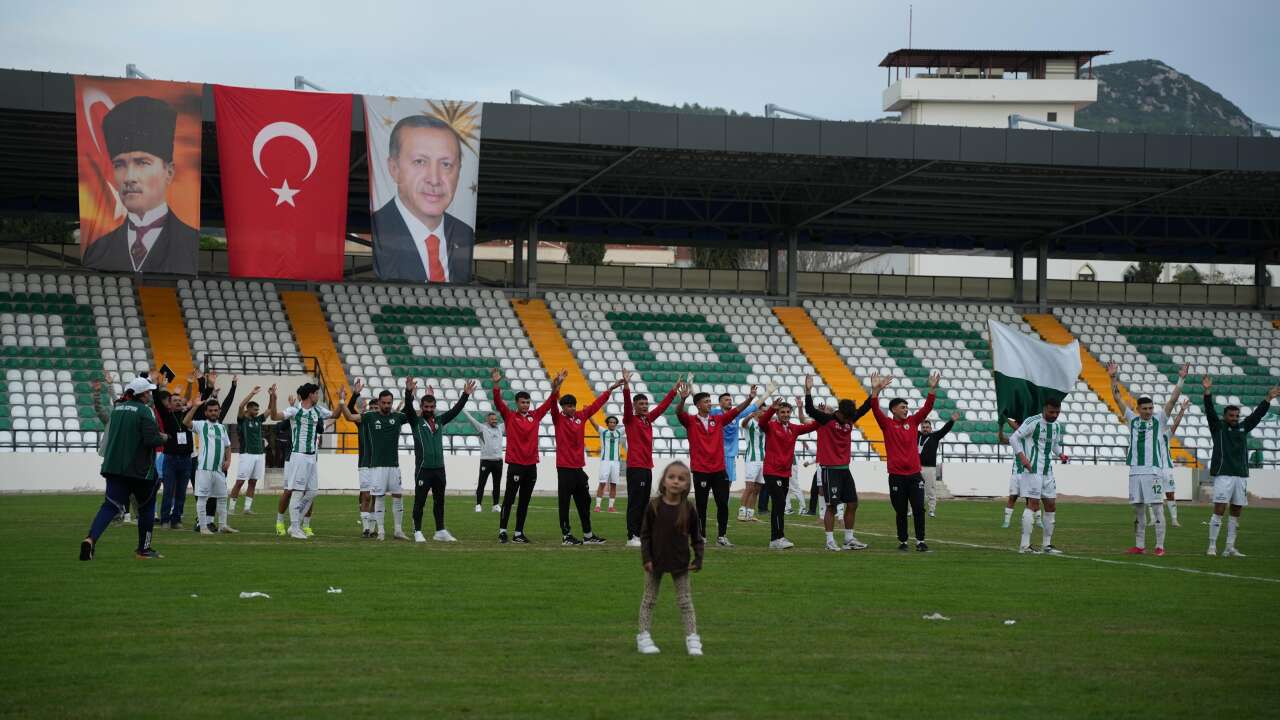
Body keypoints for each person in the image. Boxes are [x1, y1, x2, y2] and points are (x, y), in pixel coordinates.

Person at [81, 96, 199, 274]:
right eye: (119, 165)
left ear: (169, 172)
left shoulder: (191, 243)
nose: (129, 177)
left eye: (142, 162)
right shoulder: (97, 250)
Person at [371, 115, 475, 283]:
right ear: (394, 168)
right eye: (420, 162)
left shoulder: (464, 234)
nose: (434, 179)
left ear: (459, 171)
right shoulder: (378, 227)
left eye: (446, 164)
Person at [80, 374, 169, 560]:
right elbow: (151, 439)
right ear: (143, 394)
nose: (150, 395)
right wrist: (164, 437)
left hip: (113, 467)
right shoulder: (145, 411)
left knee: (109, 506)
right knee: (146, 508)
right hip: (139, 470)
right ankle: (143, 550)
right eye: (148, 392)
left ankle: (90, 539)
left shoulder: (117, 409)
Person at [1108, 362, 1184, 556]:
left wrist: (1181, 378)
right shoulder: (1132, 420)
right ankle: (1140, 546)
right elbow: (1117, 397)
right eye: (1145, 408)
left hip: (1153, 472)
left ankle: (1160, 547)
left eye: (1151, 408)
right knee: (1138, 511)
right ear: (1138, 408)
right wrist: (1113, 377)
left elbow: (1173, 400)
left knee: (1158, 509)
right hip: (1135, 472)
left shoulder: (1159, 419)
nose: (1149, 411)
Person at [1202, 375, 1279, 557]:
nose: (1235, 418)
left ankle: (1230, 547)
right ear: (1225, 416)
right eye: (1231, 416)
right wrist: (1207, 391)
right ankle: (1212, 546)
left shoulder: (1244, 427)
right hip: (1224, 475)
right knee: (1219, 509)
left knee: (1236, 512)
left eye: (1237, 416)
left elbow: (1257, 415)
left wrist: (1268, 399)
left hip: (1241, 475)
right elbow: (1209, 410)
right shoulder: (1218, 428)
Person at [675, 380, 757, 548]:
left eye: (710, 401)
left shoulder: (718, 419)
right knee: (702, 505)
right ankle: (701, 535)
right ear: (698, 405)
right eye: (706, 401)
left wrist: (750, 399)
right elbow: (678, 412)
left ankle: (722, 536)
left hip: (719, 470)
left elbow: (736, 411)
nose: (709, 403)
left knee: (723, 504)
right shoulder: (690, 421)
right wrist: (682, 400)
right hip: (701, 470)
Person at [637, 461, 704, 657]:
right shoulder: (654, 506)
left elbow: (696, 537)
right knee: (649, 600)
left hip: (680, 563)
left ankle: (692, 638)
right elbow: (645, 535)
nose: (675, 481)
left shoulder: (689, 509)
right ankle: (643, 636)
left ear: (687, 484)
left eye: (681, 479)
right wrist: (646, 558)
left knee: (685, 602)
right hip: (655, 562)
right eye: (671, 477)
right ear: (664, 481)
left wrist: (698, 558)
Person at [492, 368, 567, 543]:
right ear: (517, 403)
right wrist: (496, 383)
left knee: (524, 501)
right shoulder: (509, 416)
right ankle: (503, 530)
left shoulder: (535, 416)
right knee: (509, 500)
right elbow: (498, 402)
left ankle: (518, 533)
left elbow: (550, 402)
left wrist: (558, 385)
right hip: (516, 465)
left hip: (531, 466)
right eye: (523, 402)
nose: (526, 405)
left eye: (528, 402)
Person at [868, 372, 937, 552]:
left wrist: (932, 389)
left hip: (914, 475)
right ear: (893, 410)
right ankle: (903, 541)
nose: (906, 409)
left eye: (907, 407)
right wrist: (875, 391)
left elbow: (927, 408)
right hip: (897, 476)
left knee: (918, 509)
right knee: (900, 511)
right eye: (902, 407)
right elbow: (875, 410)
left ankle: (920, 540)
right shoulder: (887, 424)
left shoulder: (913, 422)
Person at [803, 375, 873, 551]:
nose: (850, 421)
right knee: (832, 506)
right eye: (848, 417)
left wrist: (875, 391)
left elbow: (865, 408)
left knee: (852, 503)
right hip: (830, 470)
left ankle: (849, 539)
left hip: (844, 469)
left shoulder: (849, 418)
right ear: (839, 413)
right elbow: (810, 410)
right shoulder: (827, 420)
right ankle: (829, 541)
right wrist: (808, 391)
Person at [553, 377, 623, 545]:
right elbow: (551, 403)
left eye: (573, 405)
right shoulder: (558, 418)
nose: (571, 408)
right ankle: (566, 535)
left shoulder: (581, 416)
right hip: (564, 468)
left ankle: (588, 534)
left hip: (578, 468)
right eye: (568, 406)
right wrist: (556, 387)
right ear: (562, 407)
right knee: (564, 502)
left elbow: (596, 405)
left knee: (585, 501)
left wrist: (610, 389)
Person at [404, 379, 476, 543]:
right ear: (421, 408)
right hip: (423, 469)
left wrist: (465, 395)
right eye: (426, 407)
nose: (429, 409)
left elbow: (455, 411)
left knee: (440, 501)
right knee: (420, 502)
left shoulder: (440, 421)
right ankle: (417, 531)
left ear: (434, 407)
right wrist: (408, 393)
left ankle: (440, 530)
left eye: (431, 407)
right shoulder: (415, 422)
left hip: (439, 469)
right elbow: (408, 408)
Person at [339, 381, 410, 541]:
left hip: (394, 465)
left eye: (389, 403)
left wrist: (410, 394)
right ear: (378, 402)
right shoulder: (369, 417)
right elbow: (350, 416)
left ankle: (398, 530)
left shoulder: (397, 417)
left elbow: (414, 414)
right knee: (377, 497)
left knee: (398, 495)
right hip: (375, 466)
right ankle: (380, 531)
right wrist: (342, 401)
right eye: (383, 403)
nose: (386, 405)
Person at [621, 370, 679, 547]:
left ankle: (640, 533)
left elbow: (661, 407)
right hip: (636, 467)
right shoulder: (630, 419)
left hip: (646, 467)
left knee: (644, 502)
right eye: (641, 404)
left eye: (646, 403)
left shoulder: (647, 419)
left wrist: (673, 391)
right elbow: (626, 405)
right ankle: (632, 535)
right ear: (635, 406)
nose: (645, 406)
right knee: (635, 502)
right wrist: (626, 386)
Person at [1008, 398, 1069, 555]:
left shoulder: (1056, 426)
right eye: (1051, 412)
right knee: (1033, 505)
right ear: (1044, 409)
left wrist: (1061, 454)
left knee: (1050, 505)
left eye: (1057, 412)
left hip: (1047, 471)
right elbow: (1014, 438)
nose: (1054, 415)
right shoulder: (1032, 421)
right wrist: (1023, 458)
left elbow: (1054, 444)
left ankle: (1047, 545)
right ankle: (1025, 545)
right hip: (1032, 469)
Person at [272, 383, 332, 540]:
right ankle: (291, 526)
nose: (318, 396)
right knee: (293, 492)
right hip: (297, 456)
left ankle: (295, 524)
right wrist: (273, 398)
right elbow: (275, 418)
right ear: (310, 395)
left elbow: (333, 416)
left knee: (312, 492)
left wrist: (343, 401)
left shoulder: (316, 411)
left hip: (312, 456)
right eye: (316, 393)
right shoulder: (294, 410)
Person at [757, 399, 819, 549]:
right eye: (782, 412)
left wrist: (820, 415)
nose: (785, 415)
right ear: (777, 413)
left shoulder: (794, 428)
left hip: (785, 472)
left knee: (781, 504)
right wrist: (772, 408)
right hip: (771, 471)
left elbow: (813, 426)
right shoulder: (771, 426)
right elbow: (761, 423)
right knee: (779, 503)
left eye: (787, 412)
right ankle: (777, 538)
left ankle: (776, 538)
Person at [183, 397, 234, 535]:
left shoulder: (222, 428)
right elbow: (186, 422)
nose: (213, 413)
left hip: (218, 470)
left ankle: (223, 525)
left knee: (222, 498)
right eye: (210, 411)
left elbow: (228, 446)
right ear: (206, 412)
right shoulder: (201, 425)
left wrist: (228, 460)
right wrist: (195, 407)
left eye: (215, 411)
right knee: (202, 498)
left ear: (219, 412)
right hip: (204, 469)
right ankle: (203, 527)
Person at [154, 375, 196, 529]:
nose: (178, 402)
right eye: (174, 401)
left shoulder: (187, 415)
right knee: (168, 490)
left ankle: (176, 519)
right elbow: (158, 402)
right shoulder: (166, 416)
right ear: (169, 405)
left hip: (186, 459)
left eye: (180, 400)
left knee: (181, 492)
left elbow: (198, 402)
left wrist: (192, 384)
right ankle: (165, 519)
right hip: (170, 459)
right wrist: (159, 386)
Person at [229, 386, 267, 516]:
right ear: (249, 409)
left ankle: (247, 508)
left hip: (259, 455)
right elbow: (240, 406)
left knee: (253, 481)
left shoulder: (258, 419)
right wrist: (252, 393)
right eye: (255, 409)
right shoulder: (242, 420)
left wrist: (273, 396)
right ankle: (231, 509)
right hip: (246, 454)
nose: (257, 412)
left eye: (258, 410)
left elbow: (269, 410)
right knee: (240, 481)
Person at [1157, 398, 1192, 528]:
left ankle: (1174, 519)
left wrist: (1182, 410)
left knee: (1170, 494)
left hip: (1166, 468)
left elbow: (1175, 424)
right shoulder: (1147, 435)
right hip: (1153, 468)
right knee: (1153, 495)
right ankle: (1154, 519)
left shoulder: (1166, 435)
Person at [916, 412, 957, 518]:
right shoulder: (917, 435)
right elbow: (911, 426)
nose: (925, 429)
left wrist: (951, 421)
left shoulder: (935, 436)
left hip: (929, 468)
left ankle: (931, 510)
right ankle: (913, 510)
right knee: (914, 490)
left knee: (930, 490)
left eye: (927, 427)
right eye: (923, 427)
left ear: (931, 429)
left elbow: (945, 430)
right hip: (916, 467)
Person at [346, 390, 375, 536]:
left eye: (377, 408)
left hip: (380, 465)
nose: (375, 410)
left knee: (376, 497)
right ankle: (366, 528)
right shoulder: (362, 421)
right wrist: (355, 394)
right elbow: (350, 409)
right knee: (366, 496)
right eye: (373, 408)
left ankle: (374, 527)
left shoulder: (386, 423)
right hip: (364, 464)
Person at [463, 410, 504, 513]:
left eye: (495, 419)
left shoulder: (500, 428)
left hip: (498, 461)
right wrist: (463, 410)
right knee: (481, 483)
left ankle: (495, 505)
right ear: (487, 420)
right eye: (492, 419)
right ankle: (478, 505)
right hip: (486, 461)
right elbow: (471, 419)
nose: (495, 421)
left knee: (497, 484)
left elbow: (510, 418)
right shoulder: (482, 428)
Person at [591, 415, 626, 513]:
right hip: (605, 461)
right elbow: (594, 424)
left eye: (614, 422)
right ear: (607, 423)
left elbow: (629, 424)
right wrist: (589, 415)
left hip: (616, 462)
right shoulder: (603, 431)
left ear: (616, 424)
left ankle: (611, 506)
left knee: (613, 484)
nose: (612, 424)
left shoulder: (619, 432)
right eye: (610, 422)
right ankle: (598, 505)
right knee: (602, 483)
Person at [737, 408, 766, 523]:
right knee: (749, 487)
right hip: (752, 457)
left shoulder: (765, 424)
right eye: (762, 411)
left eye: (765, 411)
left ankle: (750, 513)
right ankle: (742, 512)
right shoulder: (750, 422)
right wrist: (750, 416)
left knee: (757, 488)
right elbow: (743, 423)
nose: (763, 413)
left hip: (763, 458)